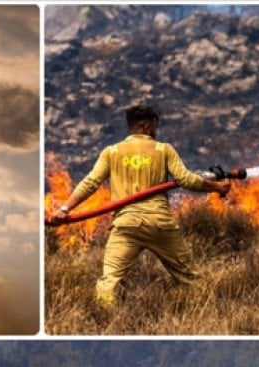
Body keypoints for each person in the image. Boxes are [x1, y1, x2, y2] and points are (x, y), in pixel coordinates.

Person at [50, 104, 232, 307]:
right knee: (191, 278)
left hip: (126, 225)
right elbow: (186, 179)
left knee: (108, 281)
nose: (156, 130)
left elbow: (90, 183)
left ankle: (104, 316)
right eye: (155, 126)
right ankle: (206, 311)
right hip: (160, 225)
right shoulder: (163, 149)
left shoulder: (112, 152)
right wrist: (217, 187)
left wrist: (65, 209)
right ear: (147, 127)